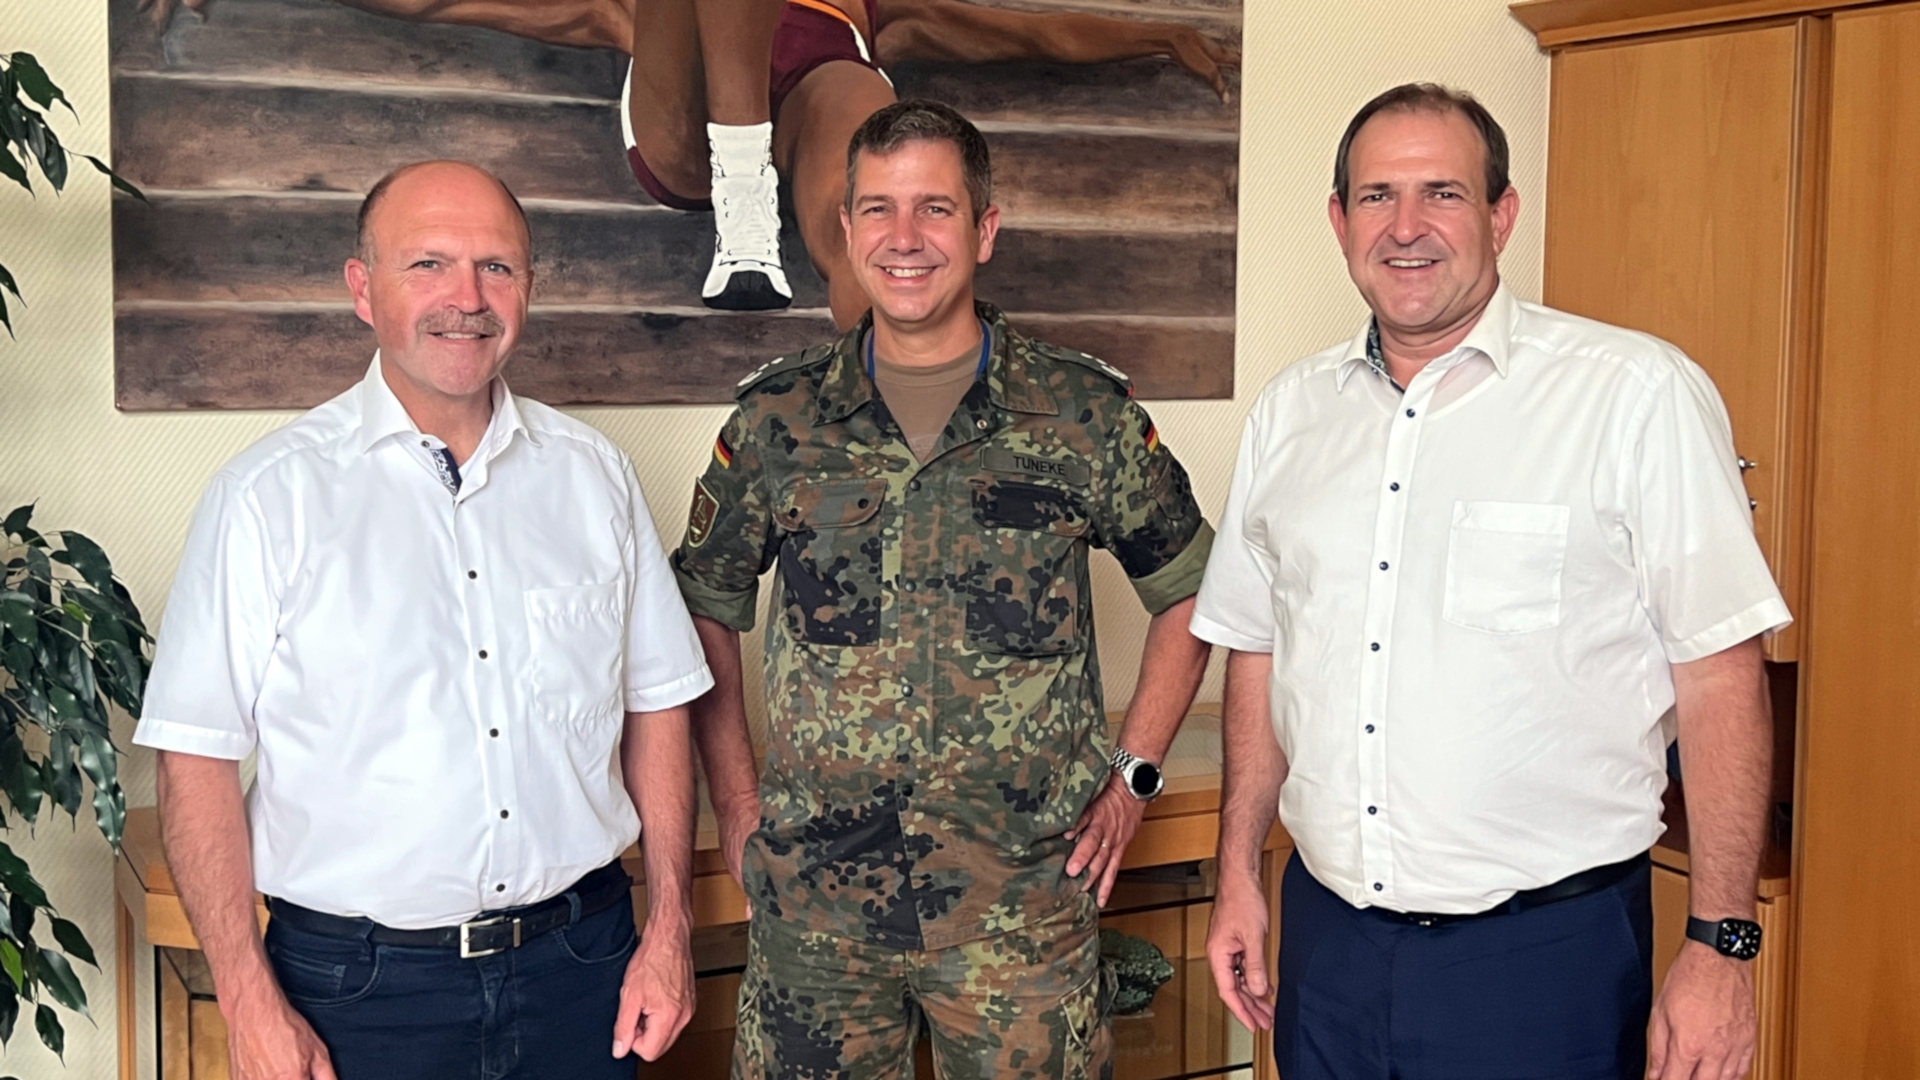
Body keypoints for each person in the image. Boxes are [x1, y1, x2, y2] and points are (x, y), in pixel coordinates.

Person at [1194, 83, 1791, 1080]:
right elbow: (1258, 649)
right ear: (1339, 221)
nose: (1407, 227)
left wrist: (1721, 948)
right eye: (1377, 196)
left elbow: (1722, 674)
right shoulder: (1290, 414)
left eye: (1443, 193)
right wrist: (1237, 877)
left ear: (1502, 215)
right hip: (1329, 949)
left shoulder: (1634, 396)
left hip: (1542, 962)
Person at [133, 160, 714, 1080]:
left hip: (583, 968)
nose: (466, 298)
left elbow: (659, 704)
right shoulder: (266, 497)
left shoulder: (595, 476)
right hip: (356, 992)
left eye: (496, 267)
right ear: (363, 289)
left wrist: (671, 926)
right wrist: (246, 998)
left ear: (529, 287)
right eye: (428, 264)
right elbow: (194, 756)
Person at [671, 99, 1215, 1077]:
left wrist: (1133, 777)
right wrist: (740, 809)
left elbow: (1195, 590)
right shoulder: (777, 421)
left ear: (984, 228)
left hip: (1022, 914)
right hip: (818, 919)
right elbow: (705, 608)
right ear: (847, 231)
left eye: (935, 208)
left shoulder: (1079, 414)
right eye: (878, 209)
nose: (905, 238)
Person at [154, 0, 1238, 326]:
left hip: (811, 118)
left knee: (872, 141)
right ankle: (739, 195)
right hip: (685, 132)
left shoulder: (867, 5)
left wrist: (1157, 36)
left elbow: (1033, 32)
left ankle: (885, 387)